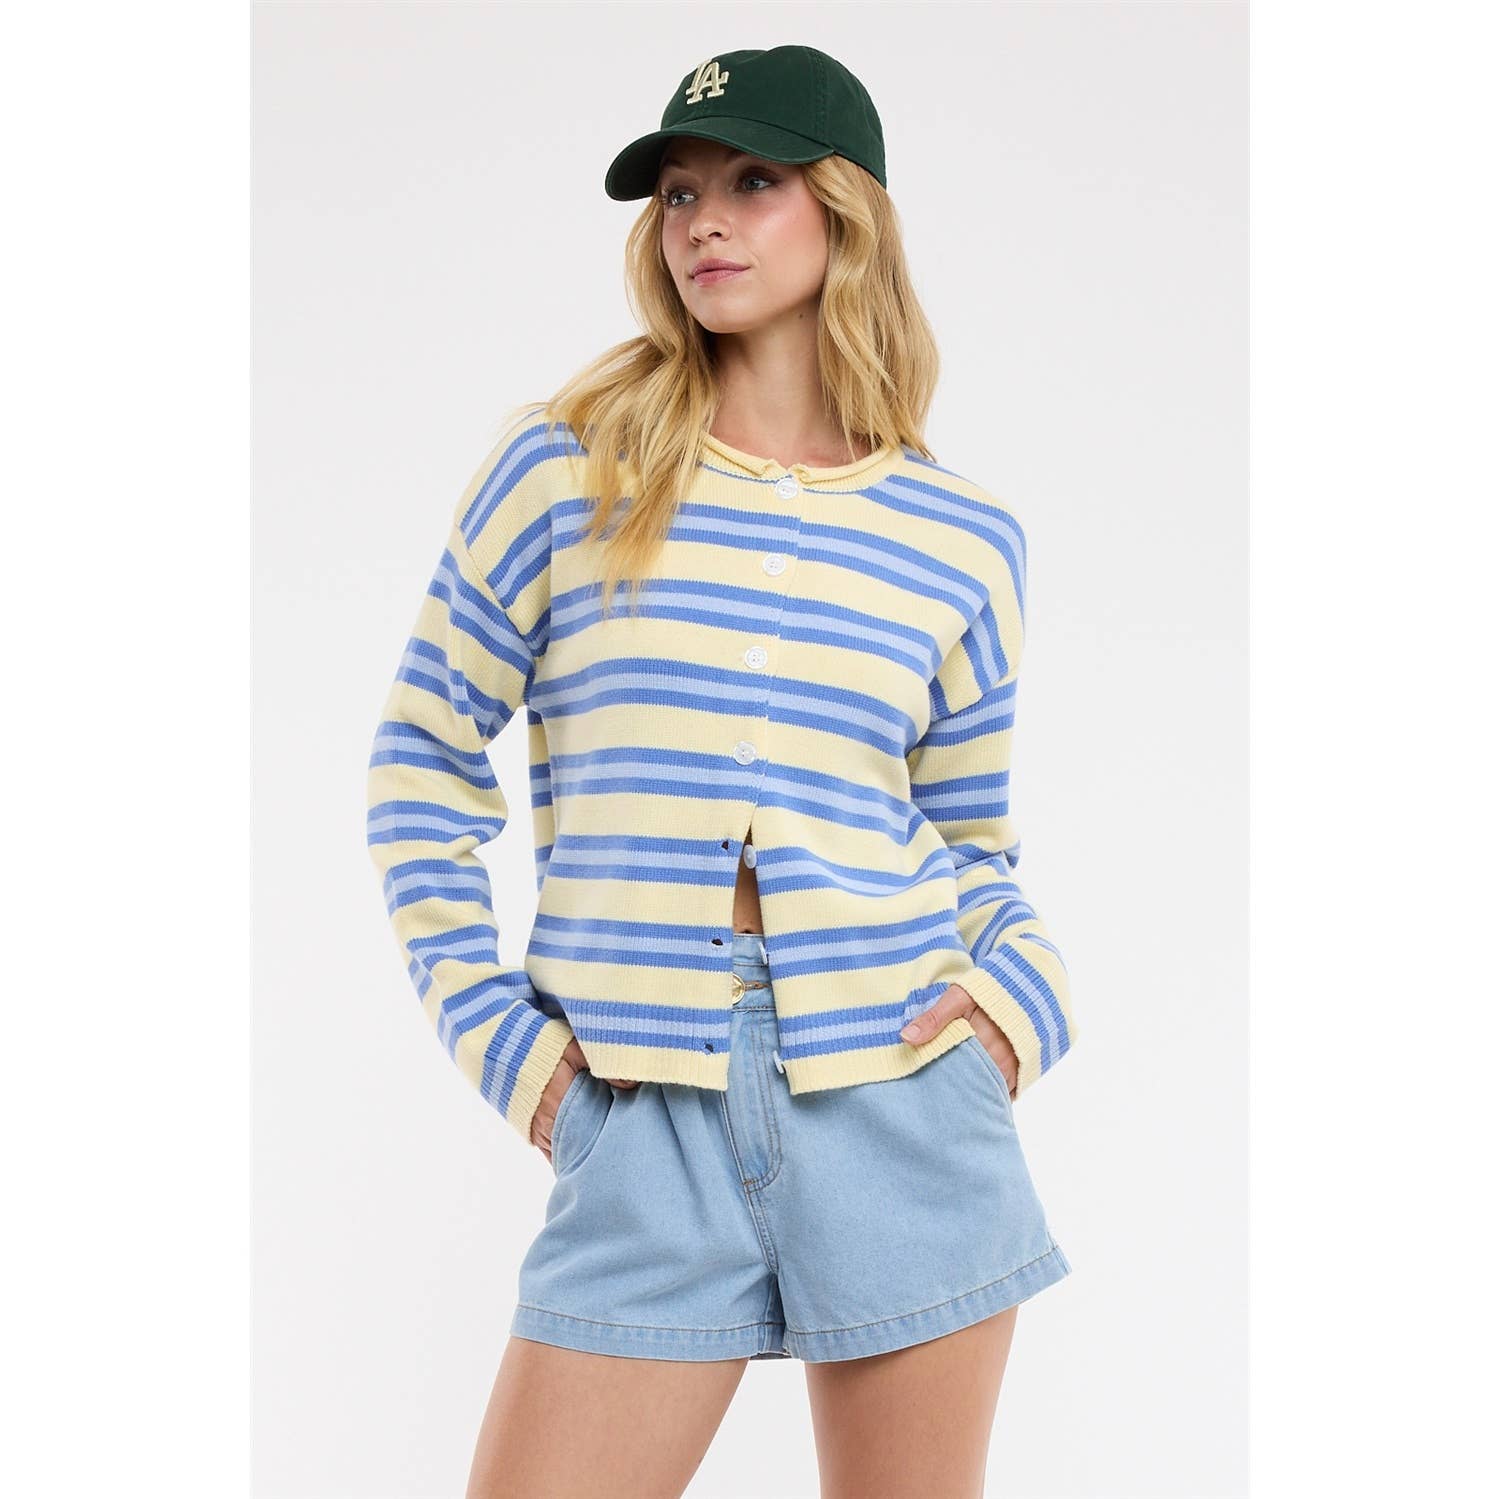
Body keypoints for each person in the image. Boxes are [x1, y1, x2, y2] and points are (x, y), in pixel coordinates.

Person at [365, 45, 1078, 1499]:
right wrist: (510, 1052)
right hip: (641, 1112)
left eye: (753, 182)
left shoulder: (961, 539)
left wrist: (1021, 1011)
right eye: (680, 192)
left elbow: (970, 840)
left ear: (846, 211)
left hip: (904, 1101)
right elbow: (418, 763)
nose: (705, 221)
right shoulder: (565, 472)